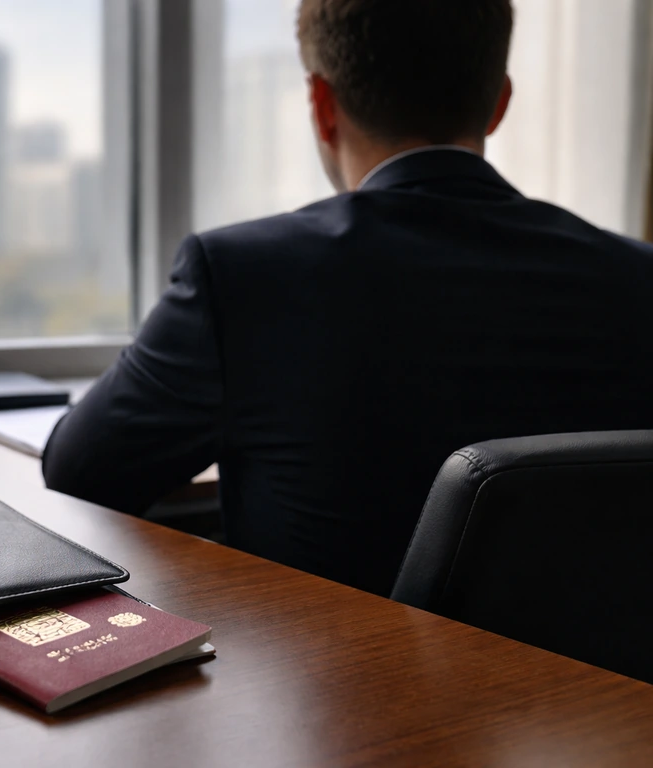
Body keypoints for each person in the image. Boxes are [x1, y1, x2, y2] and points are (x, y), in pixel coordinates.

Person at [42, 0, 653, 596]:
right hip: (594, 696)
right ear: (499, 103)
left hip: (338, 695)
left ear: (322, 105)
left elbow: (79, 473)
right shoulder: (637, 276)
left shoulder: (244, 273)